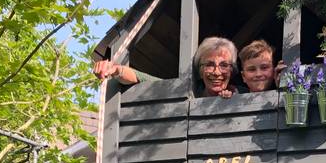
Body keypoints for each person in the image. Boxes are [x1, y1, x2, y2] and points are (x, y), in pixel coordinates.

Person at [91, 36, 237, 98]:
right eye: (209, 65)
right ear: (199, 70)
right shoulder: (187, 92)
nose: (217, 72)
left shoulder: (243, 93)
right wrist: (115, 69)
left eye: (224, 65)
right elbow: (142, 78)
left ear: (232, 70)